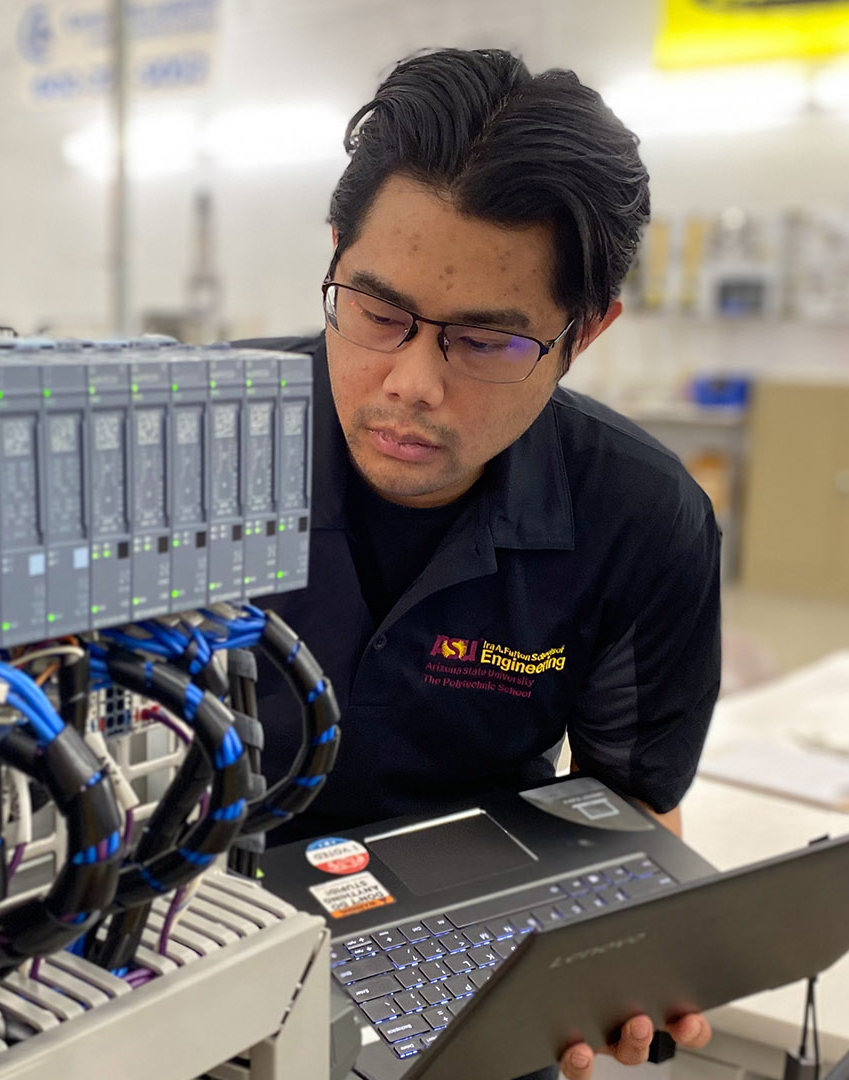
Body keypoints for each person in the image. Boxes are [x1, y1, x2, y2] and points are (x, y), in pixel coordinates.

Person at [243, 48, 722, 1077]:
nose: (411, 382)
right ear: (335, 254)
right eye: (377, 312)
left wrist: (613, 961)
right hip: (192, 945)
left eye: (485, 343)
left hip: (472, 960)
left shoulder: (639, 519)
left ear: (583, 334)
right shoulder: (176, 447)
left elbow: (630, 809)